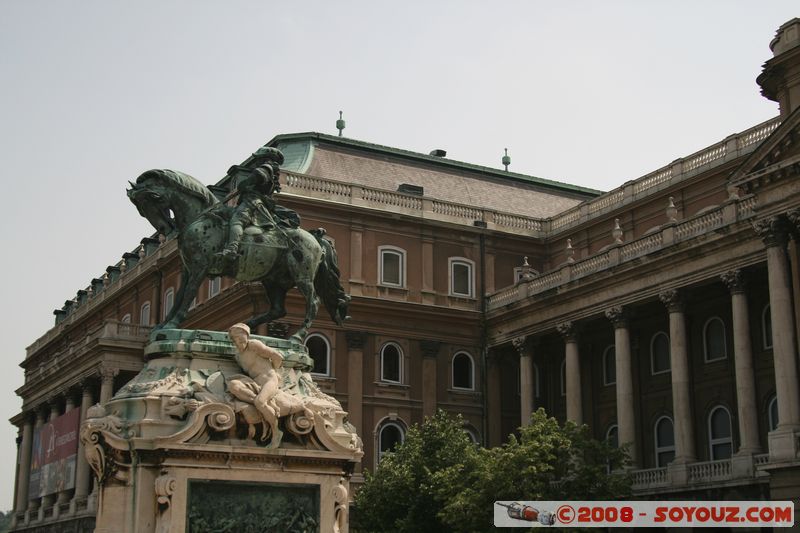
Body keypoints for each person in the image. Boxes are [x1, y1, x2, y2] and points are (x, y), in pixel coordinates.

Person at [228, 323, 284, 447]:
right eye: (235, 339)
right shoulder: (238, 356)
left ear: (246, 336)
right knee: (233, 385)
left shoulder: (253, 345)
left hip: (269, 380)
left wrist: (275, 372)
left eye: (241, 337)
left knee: (260, 402)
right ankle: (266, 410)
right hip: (255, 383)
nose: (239, 341)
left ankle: (276, 432)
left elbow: (277, 357)